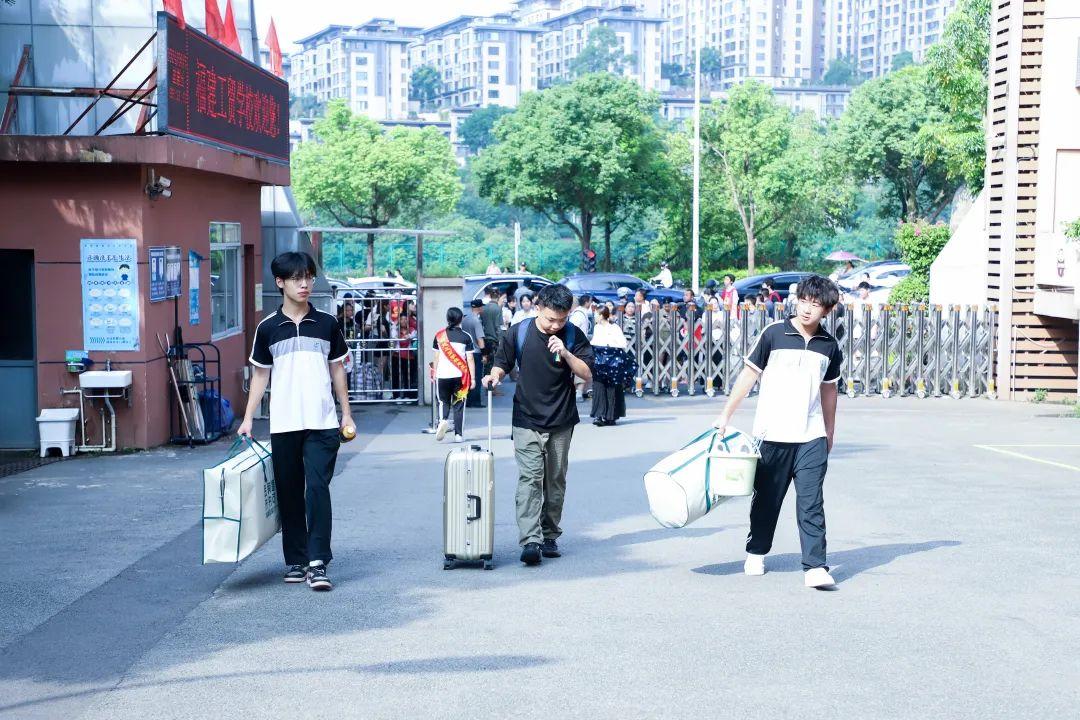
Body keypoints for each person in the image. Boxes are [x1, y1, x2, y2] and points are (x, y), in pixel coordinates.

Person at [712, 275, 843, 589]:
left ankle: (815, 566)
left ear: (827, 310)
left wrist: (829, 430)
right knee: (767, 500)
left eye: (816, 304)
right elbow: (749, 375)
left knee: (811, 502)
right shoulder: (773, 333)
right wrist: (725, 415)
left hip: (811, 435)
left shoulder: (829, 346)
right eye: (804, 301)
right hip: (771, 434)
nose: (807, 309)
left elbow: (829, 390)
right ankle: (756, 551)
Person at [239, 252, 351, 592]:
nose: (305, 284)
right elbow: (261, 375)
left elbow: (337, 369)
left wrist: (346, 413)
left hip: (322, 422)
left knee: (316, 488)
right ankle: (297, 560)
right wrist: (247, 418)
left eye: (309, 277)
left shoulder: (327, 324)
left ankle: (318, 562)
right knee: (289, 493)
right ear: (280, 282)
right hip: (284, 422)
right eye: (297, 278)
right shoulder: (267, 328)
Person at [482, 284, 594, 567]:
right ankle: (530, 541)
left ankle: (549, 535)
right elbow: (502, 363)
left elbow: (587, 373)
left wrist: (566, 354)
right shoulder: (518, 332)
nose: (556, 325)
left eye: (562, 319)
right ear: (538, 307)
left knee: (555, 481)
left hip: (561, 420)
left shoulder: (573, 335)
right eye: (550, 319)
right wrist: (493, 376)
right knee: (530, 479)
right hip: (526, 418)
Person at [432, 307, 476, 443]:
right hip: (460, 377)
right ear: (461, 319)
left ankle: (443, 420)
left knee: (443, 401)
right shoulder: (466, 337)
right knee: (459, 404)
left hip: (442, 375)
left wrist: (434, 373)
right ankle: (458, 435)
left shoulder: (439, 336)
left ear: (447, 319)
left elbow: (436, 357)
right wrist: (473, 378)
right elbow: (470, 359)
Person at [590, 307, 628, 427]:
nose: (595, 317)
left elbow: (623, 343)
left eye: (596, 314)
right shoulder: (597, 327)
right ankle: (599, 415)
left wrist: (608, 345)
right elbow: (594, 341)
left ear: (601, 315)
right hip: (599, 360)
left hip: (612, 360)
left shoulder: (614, 327)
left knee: (612, 387)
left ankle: (611, 416)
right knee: (598, 386)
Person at [569, 294, 595, 401]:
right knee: (580, 367)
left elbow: (571, 329)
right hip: (579, 345)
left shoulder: (578, 314)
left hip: (577, 345)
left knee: (579, 367)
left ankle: (579, 392)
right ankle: (580, 391)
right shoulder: (580, 313)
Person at [462, 299, 487, 407]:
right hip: (476, 353)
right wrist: (484, 354)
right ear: (479, 307)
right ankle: (475, 401)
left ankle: (467, 400)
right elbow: (480, 339)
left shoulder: (465, 319)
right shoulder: (476, 321)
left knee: (468, 377)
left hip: (465, 352)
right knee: (476, 377)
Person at [480, 287, 504, 374]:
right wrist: (501, 340)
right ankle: (492, 381)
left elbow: (481, 323)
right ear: (498, 296)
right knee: (494, 363)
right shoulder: (498, 309)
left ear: (490, 296)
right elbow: (498, 326)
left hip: (484, 339)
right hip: (494, 339)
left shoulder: (483, 308)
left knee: (486, 363)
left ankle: (486, 379)